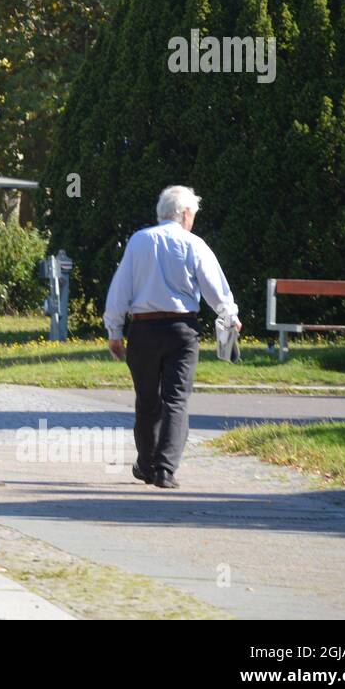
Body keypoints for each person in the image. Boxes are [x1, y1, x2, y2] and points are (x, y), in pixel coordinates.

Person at [104, 185, 241, 490]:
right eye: (192, 214)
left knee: (147, 400)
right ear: (184, 213)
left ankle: (146, 463)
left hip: (143, 330)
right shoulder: (194, 244)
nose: (192, 219)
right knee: (176, 399)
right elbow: (214, 286)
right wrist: (229, 317)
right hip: (182, 330)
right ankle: (166, 468)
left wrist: (115, 331)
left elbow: (120, 289)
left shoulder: (138, 241)